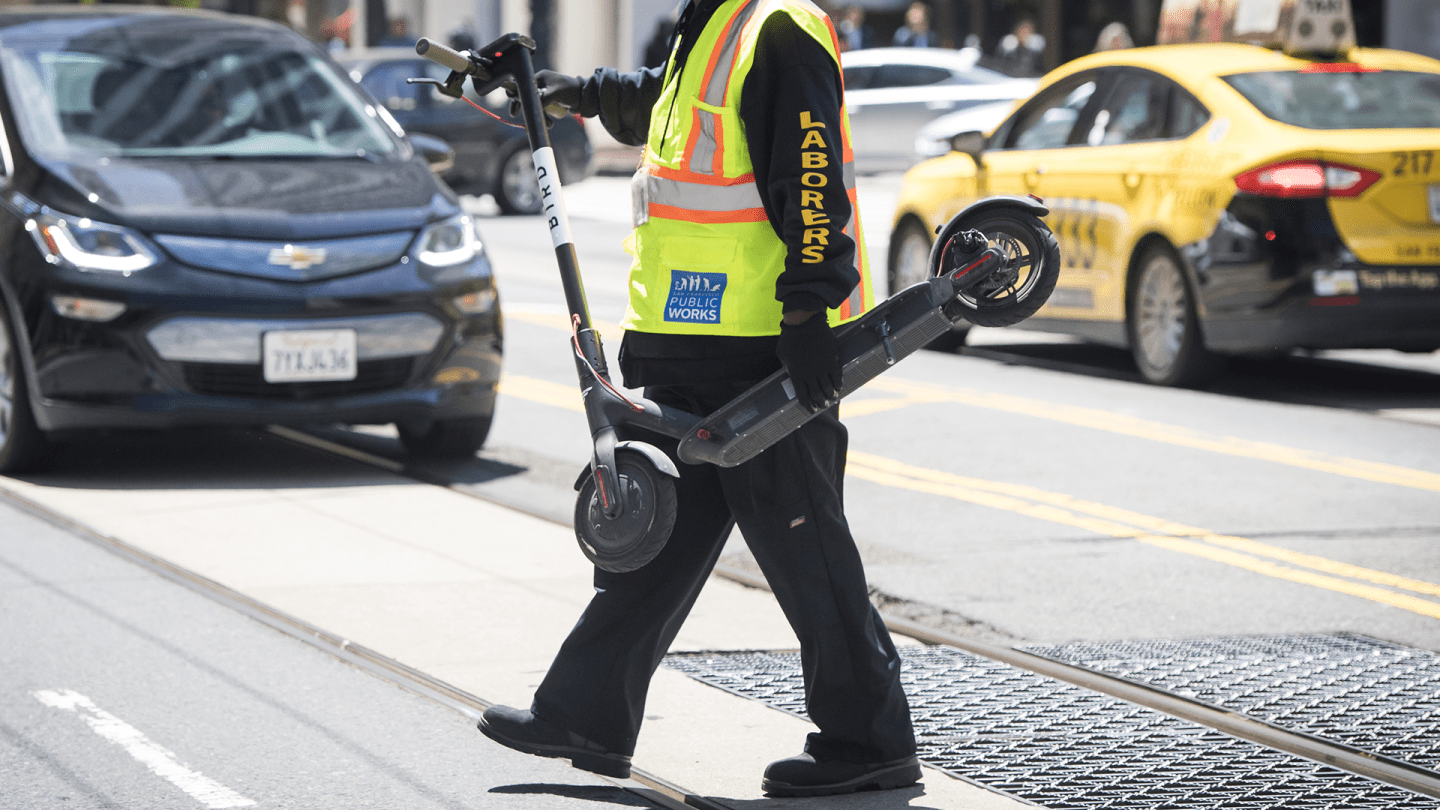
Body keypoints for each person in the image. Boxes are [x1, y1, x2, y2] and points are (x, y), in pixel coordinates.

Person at [477, 0, 919, 798]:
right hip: (692, 335)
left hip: (757, 348)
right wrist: (573, 93)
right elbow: (665, 102)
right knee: (661, 537)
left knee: (806, 547)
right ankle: (585, 712)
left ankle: (870, 742)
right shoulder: (712, 22)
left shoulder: (777, 27)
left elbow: (810, 179)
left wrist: (807, 311)